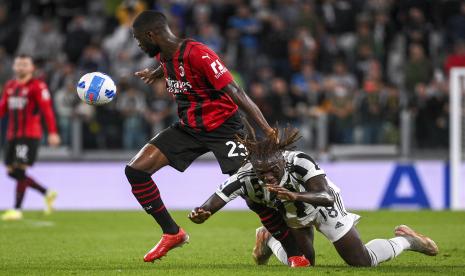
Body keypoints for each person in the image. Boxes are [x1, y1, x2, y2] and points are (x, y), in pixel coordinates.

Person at [128, 10, 276, 262]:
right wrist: (156, 73)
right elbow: (171, 65)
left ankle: (277, 239)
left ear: (151, 34)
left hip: (225, 128)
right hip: (190, 128)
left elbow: (235, 90)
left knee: (254, 193)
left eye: (138, 38)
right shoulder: (164, 55)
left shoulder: (199, 53)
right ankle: (172, 233)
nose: (138, 43)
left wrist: (267, 129)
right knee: (136, 171)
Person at [188, 127, 439, 267]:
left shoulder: (299, 162)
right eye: (261, 174)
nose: (268, 178)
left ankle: (408, 241)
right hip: (292, 212)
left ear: (281, 161)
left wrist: (294, 194)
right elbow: (213, 202)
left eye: (272, 171)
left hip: (319, 204)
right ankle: (268, 239)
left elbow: (325, 196)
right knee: (304, 263)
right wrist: (201, 214)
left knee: (361, 262)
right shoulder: (245, 176)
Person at [0, 54, 60, 221]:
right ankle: (47, 193)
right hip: (12, 135)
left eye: (25, 65)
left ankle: (16, 210)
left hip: (29, 135)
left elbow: (47, 110)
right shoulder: (10, 86)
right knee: (11, 172)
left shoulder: (37, 86)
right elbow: (3, 107)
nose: (21, 67)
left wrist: (53, 132)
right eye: (18, 64)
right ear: (14, 67)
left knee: (20, 169)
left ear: (32, 68)